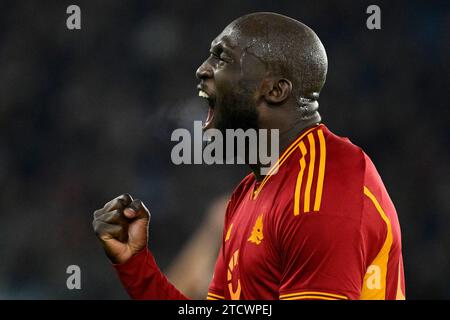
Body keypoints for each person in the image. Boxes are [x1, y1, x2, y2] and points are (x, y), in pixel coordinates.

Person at [92, 12, 405, 300]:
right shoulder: (248, 193)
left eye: (223, 58)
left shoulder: (323, 188)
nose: (202, 69)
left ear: (275, 90)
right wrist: (135, 264)